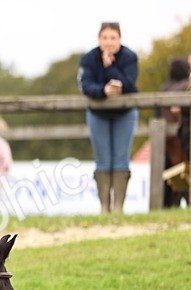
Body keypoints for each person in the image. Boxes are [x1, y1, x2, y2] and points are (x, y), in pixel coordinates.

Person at [78, 21, 139, 213]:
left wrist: (111, 67)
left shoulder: (129, 57)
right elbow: (85, 85)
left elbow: (128, 84)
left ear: (120, 39)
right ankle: (105, 206)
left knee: (121, 158)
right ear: (99, 39)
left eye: (113, 38)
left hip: (125, 113)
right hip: (98, 113)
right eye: (105, 38)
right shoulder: (89, 58)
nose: (109, 42)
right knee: (102, 160)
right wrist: (103, 91)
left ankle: (119, 207)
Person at [157, 57, 190, 208]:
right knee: (183, 171)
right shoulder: (185, 86)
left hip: (164, 138)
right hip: (179, 136)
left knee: (167, 173)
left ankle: (169, 204)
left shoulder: (164, 88)